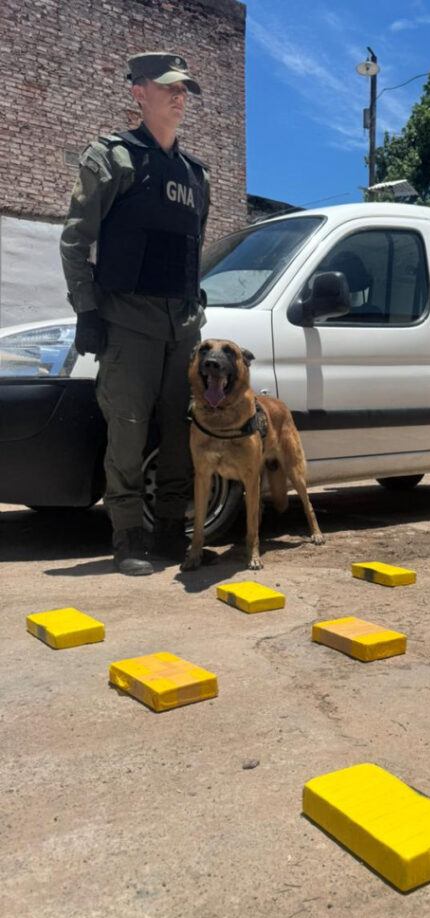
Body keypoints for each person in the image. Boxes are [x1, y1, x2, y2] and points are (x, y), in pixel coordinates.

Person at [60, 52, 210, 574]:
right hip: (128, 320)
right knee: (127, 431)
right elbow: (75, 241)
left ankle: (170, 530)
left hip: (183, 325)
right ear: (139, 93)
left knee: (180, 432)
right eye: (168, 87)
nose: (179, 95)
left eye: (184, 89)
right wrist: (87, 310)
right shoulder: (113, 159)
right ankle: (127, 537)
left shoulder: (196, 176)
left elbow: (192, 250)